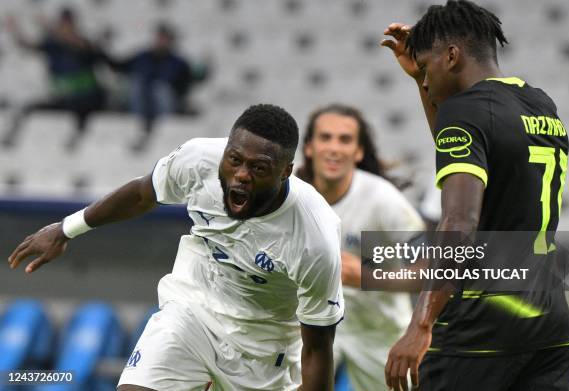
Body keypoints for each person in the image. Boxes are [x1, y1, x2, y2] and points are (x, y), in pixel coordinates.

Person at [8, 104, 344, 391]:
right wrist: (67, 228)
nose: (241, 174)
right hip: (191, 312)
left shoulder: (318, 236)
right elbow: (143, 193)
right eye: (234, 159)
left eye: (258, 168)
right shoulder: (199, 160)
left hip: (262, 351)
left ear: (286, 172)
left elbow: (317, 346)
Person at [380, 1, 569, 390]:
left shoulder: (465, 111)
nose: (427, 80)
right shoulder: (541, 104)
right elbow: (465, 149)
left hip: (479, 325)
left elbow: (459, 222)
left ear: (451, 56)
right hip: (548, 320)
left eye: (427, 65)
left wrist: (421, 324)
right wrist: (420, 79)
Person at [296, 104, 424, 391]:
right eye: (325, 137)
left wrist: (366, 276)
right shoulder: (290, 198)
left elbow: (429, 271)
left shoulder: (382, 200)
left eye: (345, 140)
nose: (334, 148)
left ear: (359, 152)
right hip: (310, 328)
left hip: (380, 333)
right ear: (308, 147)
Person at [2, 8, 107, 150]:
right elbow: (28, 46)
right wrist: (15, 30)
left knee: (82, 108)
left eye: (68, 25)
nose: (65, 29)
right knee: (29, 107)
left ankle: (76, 139)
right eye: (62, 25)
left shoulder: (83, 43)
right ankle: (11, 136)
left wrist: (59, 35)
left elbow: (89, 51)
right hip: (64, 97)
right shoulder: (53, 45)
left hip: (87, 98)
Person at [105, 23, 202, 151]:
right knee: (137, 85)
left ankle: (155, 128)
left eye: (165, 38)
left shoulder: (178, 63)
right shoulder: (142, 57)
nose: (161, 41)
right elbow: (119, 66)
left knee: (160, 89)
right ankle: (139, 124)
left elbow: (189, 83)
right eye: (160, 37)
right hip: (139, 104)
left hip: (164, 106)